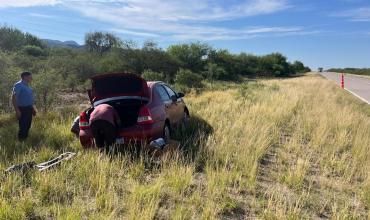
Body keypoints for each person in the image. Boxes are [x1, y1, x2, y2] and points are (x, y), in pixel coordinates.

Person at [12, 72, 37, 141]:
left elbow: (30, 99)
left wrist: (33, 108)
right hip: (22, 109)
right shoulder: (18, 85)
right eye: (30, 77)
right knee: (23, 127)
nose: (31, 78)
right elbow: (14, 98)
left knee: (28, 126)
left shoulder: (27, 86)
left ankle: (24, 142)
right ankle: (21, 143)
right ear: (25, 77)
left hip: (29, 109)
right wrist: (17, 111)